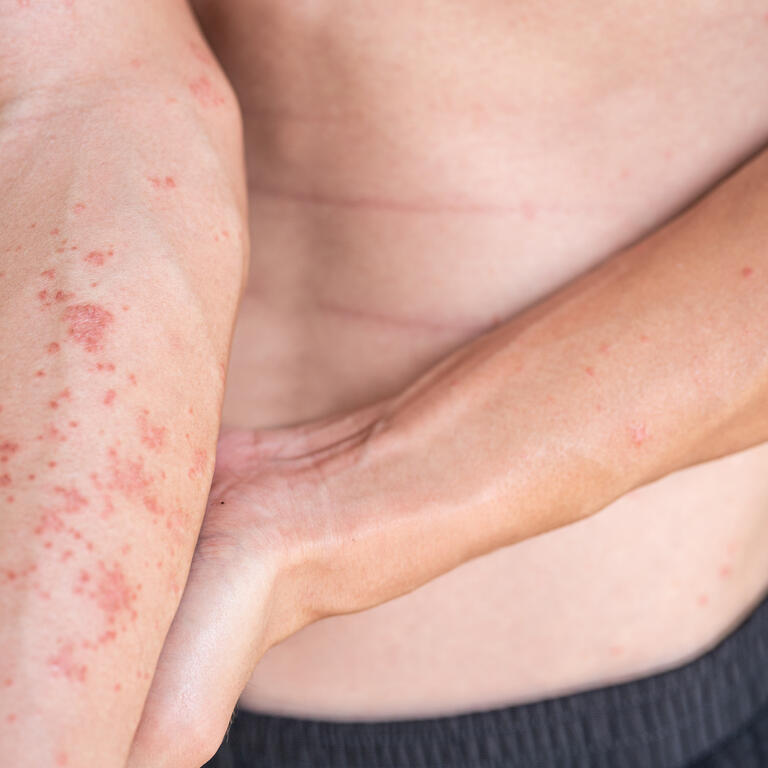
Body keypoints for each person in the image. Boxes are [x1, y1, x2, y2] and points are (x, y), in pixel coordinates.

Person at [1, 0, 767, 766]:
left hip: (583, 700)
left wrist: (324, 509)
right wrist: (64, 650)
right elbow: (80, 90)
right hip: (77, 673)